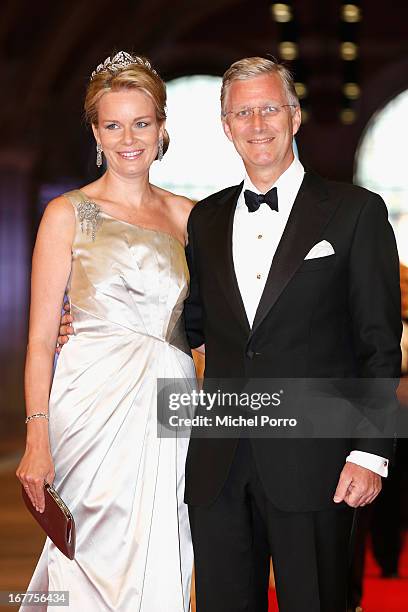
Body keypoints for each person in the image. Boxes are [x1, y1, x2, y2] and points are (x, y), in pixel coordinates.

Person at [182, 57, 402, 612]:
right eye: (243, 112)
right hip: (219, 465)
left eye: (270, 108)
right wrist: (86, 328)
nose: (258, 124)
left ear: (296, 116)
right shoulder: (204, 220)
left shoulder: (357, 212)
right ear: (226, 125)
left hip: (318, 463)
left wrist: (371, 453)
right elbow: (192, 326)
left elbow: (379, 345)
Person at [16, 51, 194, 611]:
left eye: (141, 123)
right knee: (86, 559)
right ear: (95, 131)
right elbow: (41, 339)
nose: (128, 139)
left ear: (162, 128)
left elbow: (218, 324)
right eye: (113, 125)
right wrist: (36, 441)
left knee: (165, 549)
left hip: (173, 406)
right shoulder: (67, 213)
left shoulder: (191, 217)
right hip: (88, 409)